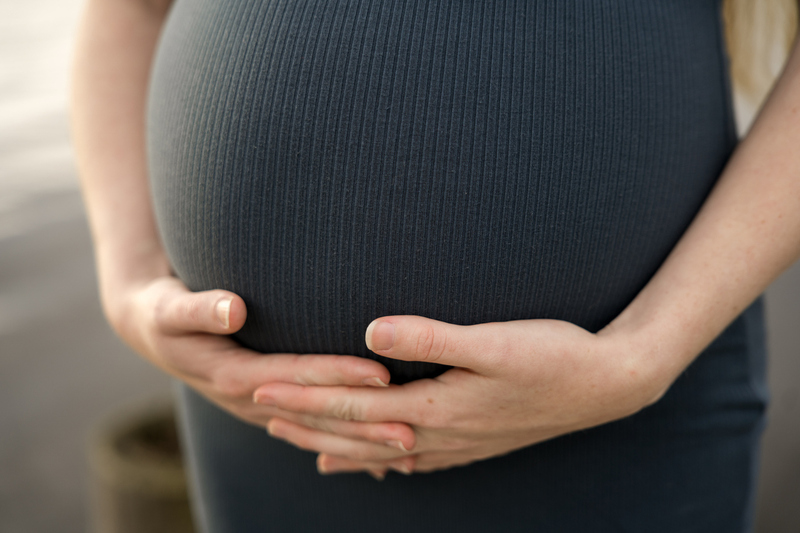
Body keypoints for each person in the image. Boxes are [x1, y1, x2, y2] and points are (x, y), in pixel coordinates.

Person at [72, 0, 800, 531]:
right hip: (266, 419)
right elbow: (127, 10)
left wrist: (644, 355)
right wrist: (128, 277)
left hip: (610, 412)